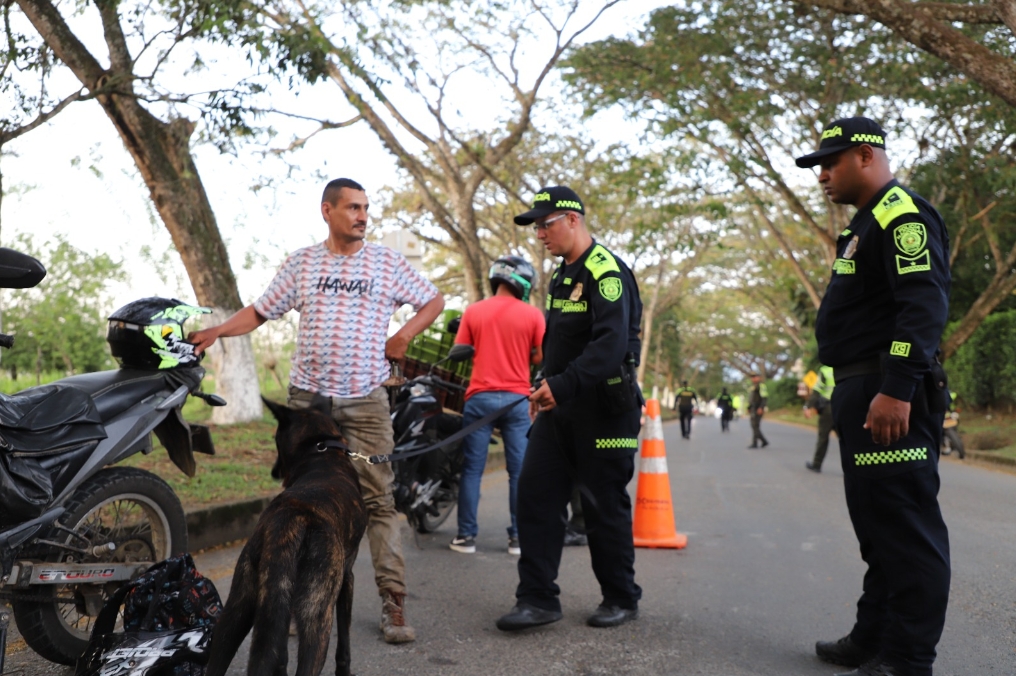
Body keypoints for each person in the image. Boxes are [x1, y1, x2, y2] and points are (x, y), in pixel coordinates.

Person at [189, 178, 445, 644]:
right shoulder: (303, 263)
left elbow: (434, 300)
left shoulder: (386, 262)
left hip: (366, 399)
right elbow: (261, 311)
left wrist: (403, 336)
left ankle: (393, 600)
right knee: (303, 500)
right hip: (309, 402)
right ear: (327, 210)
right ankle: (301, 599)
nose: (363, 216)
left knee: (377, 500)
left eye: (366, 208)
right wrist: (217, 332)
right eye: (352, 207)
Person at [796, 117, 951, 676]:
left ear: (865, 156)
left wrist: (897, 386)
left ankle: (909, 659)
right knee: (877, 526)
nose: (822, 177)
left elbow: (923, 304)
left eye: (829, 163)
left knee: (906, 529)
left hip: (889, 389)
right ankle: (873, 637)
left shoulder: (899, 214)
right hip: (862, 388)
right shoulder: (867, 221)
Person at [495, 185, 643, 631]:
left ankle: (621, 597)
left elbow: (610, 344)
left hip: (605, 410)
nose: (539, 233)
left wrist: (562, 385)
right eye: (535, 226)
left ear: (573, 220)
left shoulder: (606, 271)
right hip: (560, 408)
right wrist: (545, 386)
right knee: (535, 497)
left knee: (602, 507)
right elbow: (560, 346)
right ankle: (537, 599)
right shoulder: (563, 274)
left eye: (546, 224)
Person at [449, 255, 545, 556]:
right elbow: (540, 356)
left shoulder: (474, 311)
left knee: (473, 470)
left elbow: (459, 349)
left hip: (480, 399)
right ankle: (518, 538)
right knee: (520, 472)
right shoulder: (533, 315)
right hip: (517, 401)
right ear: (524, 282)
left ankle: (466, 537)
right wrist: (522, 358)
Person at [804, 365, 836, 472]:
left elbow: (817, 390)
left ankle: (817, 464)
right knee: (846, 439)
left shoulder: (825, 370)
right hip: (844, 407)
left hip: (829, 409)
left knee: (823, 437)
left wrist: (808, 406)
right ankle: (852, 467)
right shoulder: (847, 365)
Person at [747, 373, 769, 448]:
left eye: (754, 377)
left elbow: (764, 398)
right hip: (753, 408)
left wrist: (761, 408)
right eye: (752, 377)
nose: (753, 379)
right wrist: (749, 407)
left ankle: (759, 442)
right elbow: (751, 399)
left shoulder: (761, 386)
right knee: (754, 425)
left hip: (758, 408)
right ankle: (758, 442)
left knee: (755, 425)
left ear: (758, 377)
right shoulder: (753, 386)